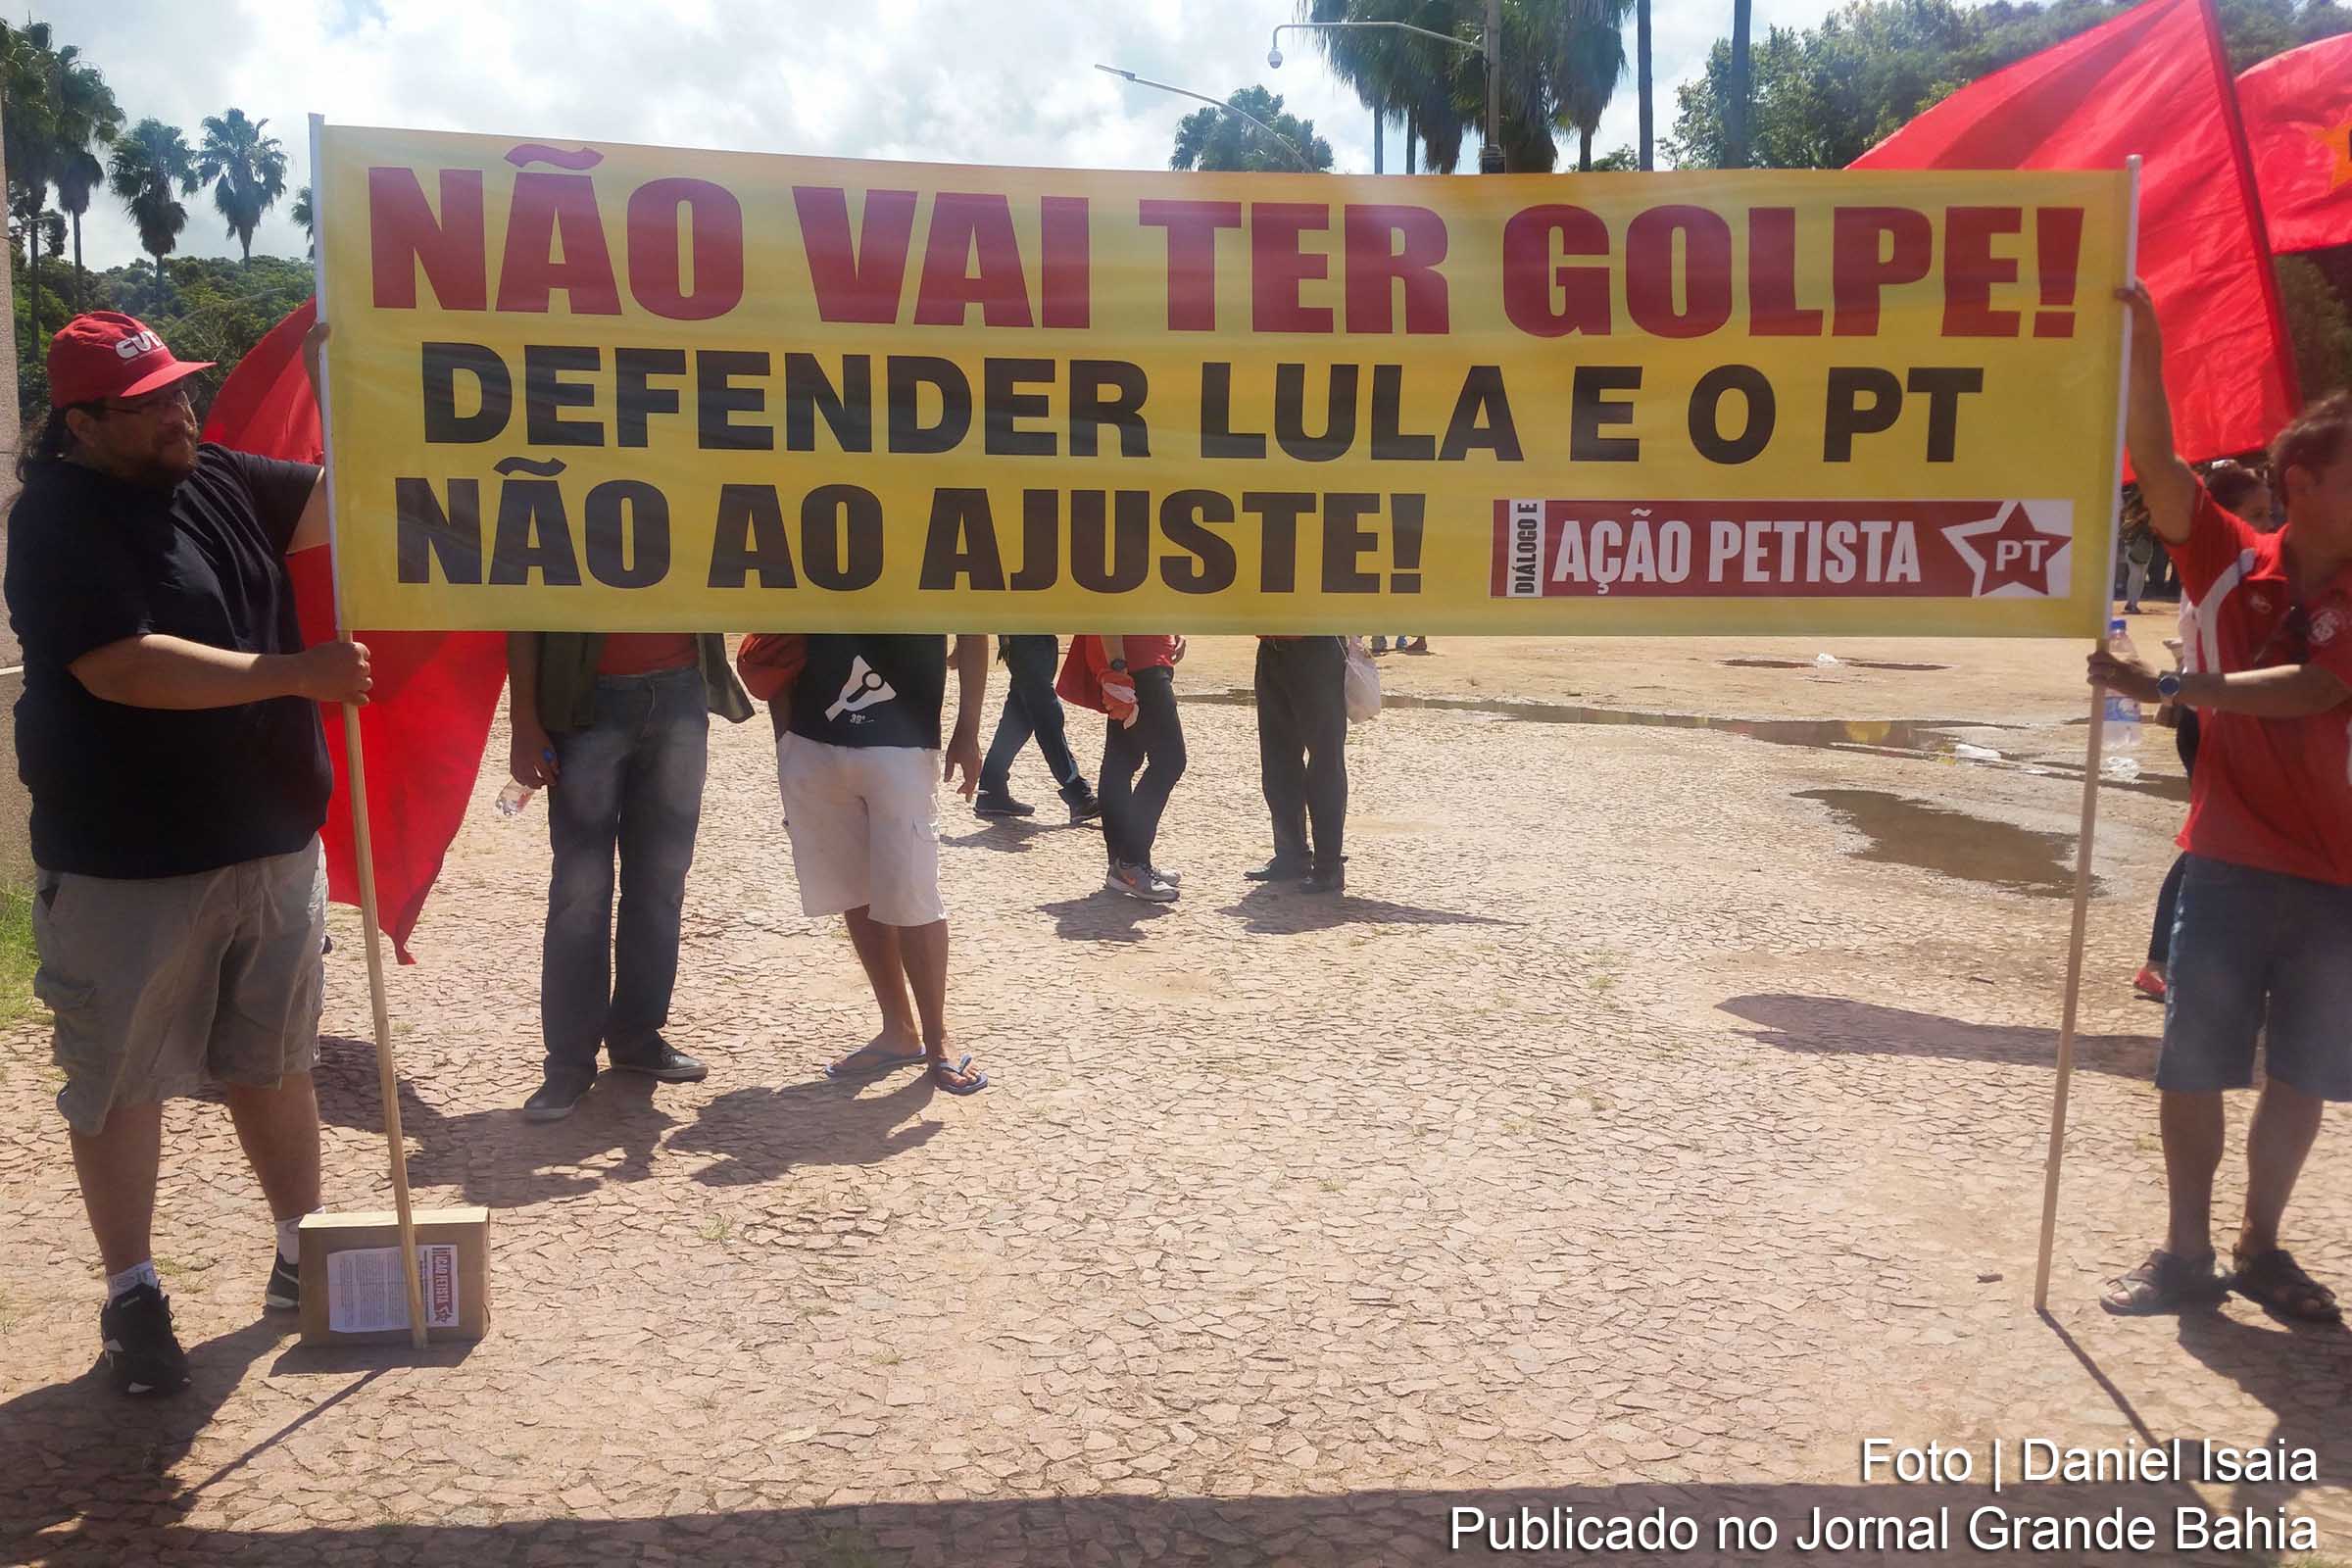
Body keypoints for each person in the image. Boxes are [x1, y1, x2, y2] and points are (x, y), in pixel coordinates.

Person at [4, 313, 372, 1395]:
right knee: (118, 1081)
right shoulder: (55, 517)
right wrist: (292, 673)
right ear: (81, 424)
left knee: (276, 1060)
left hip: (270, 840)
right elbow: (121, 665)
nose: (180, 411)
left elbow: (350, 505)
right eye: (151, 402)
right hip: (127, 862)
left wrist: (350, 383)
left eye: (179, 388)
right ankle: (133, 1295)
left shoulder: (218, 474)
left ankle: (301, 1253)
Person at [2094, 282, 2352, 1324]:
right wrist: (2142, 350)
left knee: (2304, 1074)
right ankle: (2185, 1251)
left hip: (2339, 875)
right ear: (2304, 480)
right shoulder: (2227, 559)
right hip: (2231, 863)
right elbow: (2158, 465)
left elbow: (2316, 689)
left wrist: (2174, 684)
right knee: (2193, 1065)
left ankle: (2260, 1243)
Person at [506, 630, 752, 1121]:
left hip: (680, 694)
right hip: (585, 701)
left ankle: (637, 1037)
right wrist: (524, 721)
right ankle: (569, 1063)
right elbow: (524, 616)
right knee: (580, 893)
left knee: (661, 884)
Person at [777, 633, 990, 1093]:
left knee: (913, 893)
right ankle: (899, 1030)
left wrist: (967, 730)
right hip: (814, 737)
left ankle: (938, 1040)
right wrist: (786, 743)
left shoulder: (932, 576)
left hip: (905, 741)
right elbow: (771, 637)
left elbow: (974, 630)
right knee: (854, 889)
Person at [2133, 461, 2277, 1004]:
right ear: (2225, 517)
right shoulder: (2216, 571)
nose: (2266, 524)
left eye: (2269, 513)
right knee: (2210, 841)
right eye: (2255, 514)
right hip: (2209, 720)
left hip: (2232, 719)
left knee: (2227, 841)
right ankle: (2162, 960)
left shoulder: (2250, 568)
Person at [1249, 635, 1348, 894]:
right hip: (1271, 649)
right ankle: (1290, 855)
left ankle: (1328, 865)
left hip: (1317, 649)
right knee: (1277, 759)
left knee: (1324, 762)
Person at [1097, 634, 1188, 902]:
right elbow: (1109, 611)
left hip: (1143, 656)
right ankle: (1131, 861)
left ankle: (1124, 864)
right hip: (1138, 661)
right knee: (1170, 760)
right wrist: (1117, 669)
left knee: (1121, 760)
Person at [974, 634, 1101, 823]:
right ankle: (1078, 794)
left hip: (1035, 633)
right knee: (1046, 713)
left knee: (1019, 715)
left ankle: (991, 790)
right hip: (1024, 634)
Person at [2123, 525, 2156, 612]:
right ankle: (2131, 603)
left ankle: (2133, 603)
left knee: (2140, 577)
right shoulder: (2132, 516)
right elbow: (2125, 527)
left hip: (2146, 546)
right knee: (2135, 575)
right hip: (2132, 545)